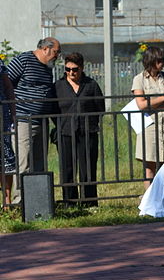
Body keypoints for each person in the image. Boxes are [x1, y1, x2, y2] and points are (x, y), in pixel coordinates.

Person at [6, 37, 60, 203]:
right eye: (56, 52)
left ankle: (39, 202)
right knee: (24, 162)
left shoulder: (47, 68)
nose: (58, 56)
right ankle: (20, 202)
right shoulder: (23, 60)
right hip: (23, 120)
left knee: (40, 163)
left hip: (41, 121)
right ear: (45, 49)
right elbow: (7, 83)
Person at [54, 53, 105, 206]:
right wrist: (60, 125)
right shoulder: (58, 86)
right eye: (67, 69)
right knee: (67, 169)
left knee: (88, 168)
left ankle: (89, 202)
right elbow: (53, 109)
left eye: (74, 69)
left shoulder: (91, 85)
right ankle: (70, 202)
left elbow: (100, 107)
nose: (71, 73)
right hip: (65, 132)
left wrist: (91, 123)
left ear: (82, 68)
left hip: (87, 132)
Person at [131, 45, 164, 191]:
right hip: (149, 128)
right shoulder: (139, 79)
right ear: (152, 61)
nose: (163, 63)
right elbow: (141, 104)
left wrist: (153, 103)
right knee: (150, 166)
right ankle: (149, 199)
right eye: (160, 61)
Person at [0, 63, 16, 208]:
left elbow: (8, 87)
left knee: (5, 159)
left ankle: (7, 200)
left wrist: (13, 112)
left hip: (2, 116)